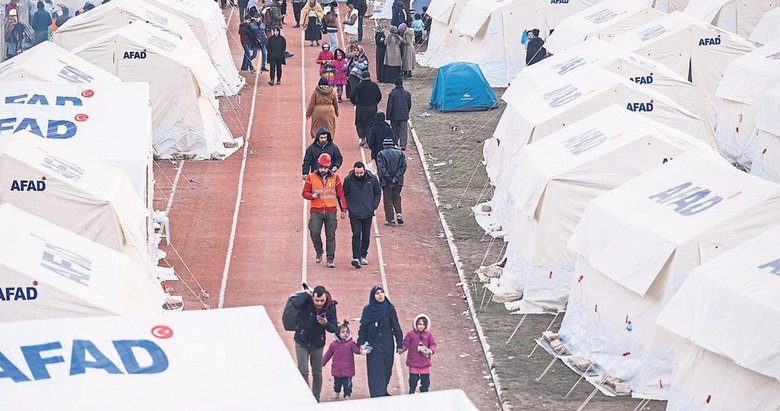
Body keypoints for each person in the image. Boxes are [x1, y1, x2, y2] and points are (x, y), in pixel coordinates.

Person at [293, 284, 339, 402]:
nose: (319, 303)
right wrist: (305, 295)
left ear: (326, 298)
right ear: (312, 297)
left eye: (321, 300)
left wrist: (325, 323)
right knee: (303, 371)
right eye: (316, 300)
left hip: (317, 343)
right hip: (301, 340)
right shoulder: (307, 301)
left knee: (317, 372)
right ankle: (305, 397)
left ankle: (315, 398)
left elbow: (334, 328)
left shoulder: (330, 307)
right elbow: (295, 303)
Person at [302, 152, 347, 268]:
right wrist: (311, 196)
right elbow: (304, 193)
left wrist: (343, 209)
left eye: (326, 167)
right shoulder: (311, 177)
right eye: (322, 167)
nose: (323, 169)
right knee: (314, 231)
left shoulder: (335, 178)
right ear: (318, 165)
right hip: (316, 210)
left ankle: (330, 258)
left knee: (330, 235)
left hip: (331, 210)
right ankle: (319, 250)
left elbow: (340, 194)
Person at [358, 286, 403, 398]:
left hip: (387, 344)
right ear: (373, 296)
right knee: (375, 371)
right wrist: (361, 342)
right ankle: (377, 394)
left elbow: (396, 326)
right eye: (377, 293)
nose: (380, 295)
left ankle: (383, 390)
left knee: (387, 369)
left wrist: (399, 343)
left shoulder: (389, 308)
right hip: (374, 345)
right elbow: (363, 327)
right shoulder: (368, 310)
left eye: (382, 292)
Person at [343, 161, 381, 269]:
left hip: (367, 212)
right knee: (356, 234)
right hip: (354, 213)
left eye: (361, 173)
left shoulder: (372, 179)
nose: (359, 175)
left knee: (366, 235)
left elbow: (378, 192)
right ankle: (355, 257)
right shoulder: (348, 180)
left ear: (364, 170)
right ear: (354, 171)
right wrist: (349, 207)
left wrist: (373, 206)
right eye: (357, 173)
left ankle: (363, 255)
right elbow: (344, 194)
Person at [323, 321, 362, 400]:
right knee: (337, 383)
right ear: (338, 333)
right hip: (337, 369)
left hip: (348, 369)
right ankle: (336, 392)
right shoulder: (333, 344)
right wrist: (322, 362)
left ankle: (347, 394)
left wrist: (361, 350)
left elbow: (356, 350)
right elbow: (328, 354)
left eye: (347, 332)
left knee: (347, 384)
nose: (345, 334)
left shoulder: (351, 343)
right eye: (343, 332)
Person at [401, 314, 437, 394]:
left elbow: (433, 344)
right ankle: (412, 392)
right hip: (414, 363)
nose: (421, 326)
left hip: (425, 363)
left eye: (423, 324)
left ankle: (424, 394)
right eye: (419, 324)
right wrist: (401, 349)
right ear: (415, 324)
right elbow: (405, 343)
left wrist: (430, 350)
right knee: (413, 381)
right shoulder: (410, 334)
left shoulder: (428, 335)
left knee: (425, 382)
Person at [376, 137, 406, 226]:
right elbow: (403, 166)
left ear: (384, 145)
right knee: (396, 197)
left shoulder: (380, 154)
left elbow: (381, 168)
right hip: (398, 181)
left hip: (386, 181)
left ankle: (390, 219)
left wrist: (389, 178)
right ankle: (399, 213)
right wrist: (396, 178)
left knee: (387, 200)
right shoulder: (400, 153)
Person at [349, 71, 382, 147]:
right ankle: (368, 139)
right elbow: (379, 96)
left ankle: (362, 137)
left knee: (359, 123)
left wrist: (355, 102)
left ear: (362, 77)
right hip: (372, 107)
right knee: (370, 123)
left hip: (361, 107)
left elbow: (352, 96)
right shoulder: (374, 85)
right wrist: (375, 103)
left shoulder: (359, 86)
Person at [386, 77, 412, 150]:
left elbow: (389, 105)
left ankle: (395, 143)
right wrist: (407, 112)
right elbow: (409, 104)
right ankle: (403, 145)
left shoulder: (392, 94)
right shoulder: (407, 94)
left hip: (394, 115)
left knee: (394, 130)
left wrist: (388, 115)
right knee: (403, 130)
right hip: (404, 115)